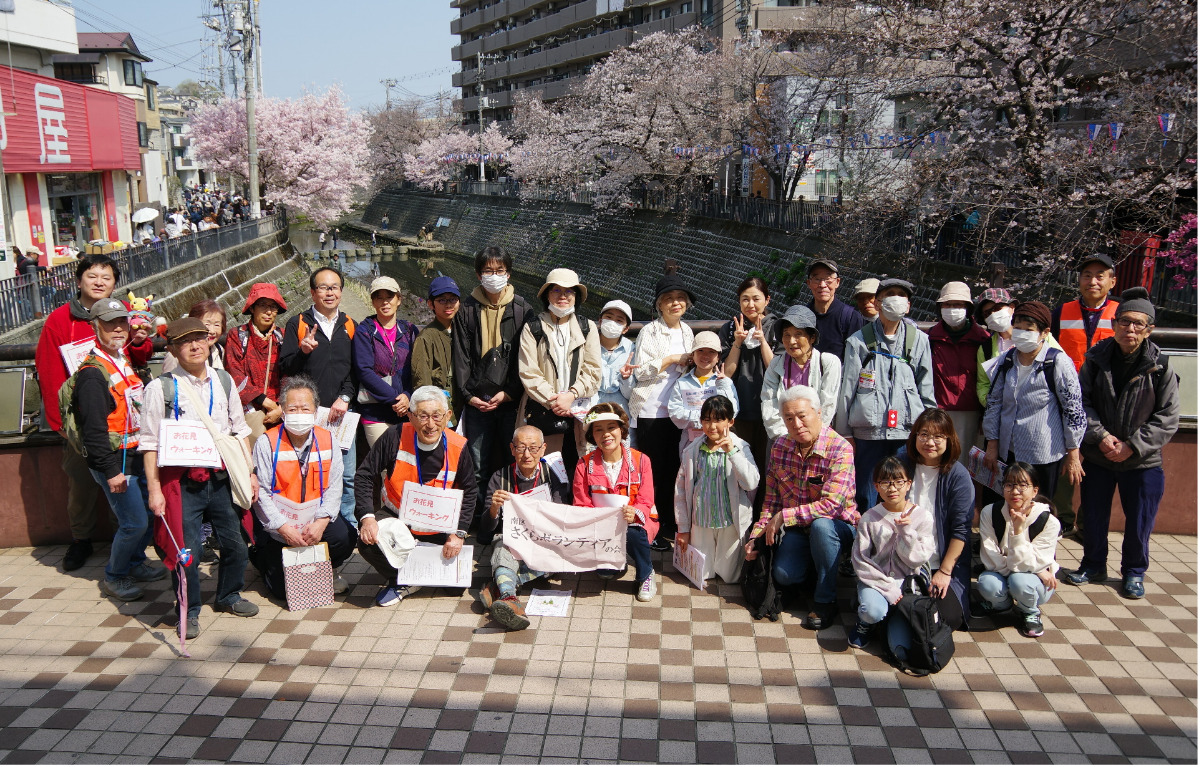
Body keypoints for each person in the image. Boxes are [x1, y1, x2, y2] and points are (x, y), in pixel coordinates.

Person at [141, 318, 259, 640]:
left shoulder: (223, 382)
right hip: (181, 483)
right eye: (185, 341)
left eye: (200, 339)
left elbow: (240, 431)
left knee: (237, 542)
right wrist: (154, 490)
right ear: (173, 350)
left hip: (221, 478)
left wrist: (249, 473)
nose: (195, 346)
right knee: (187, 550)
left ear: (209, 342)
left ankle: (229, 595)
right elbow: (149, 444)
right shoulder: (160, 388)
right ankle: (188, 608)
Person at [35, 253, 154, 571]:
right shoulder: (60, 321)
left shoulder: (121, 314)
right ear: (79, 281)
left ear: (115, 284)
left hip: (122, 416)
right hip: (81, 418)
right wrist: (60, 422)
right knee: (81, 480)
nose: (99, 282)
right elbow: (48, 372)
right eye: (93, 276)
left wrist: (141, 340)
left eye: (107, 277)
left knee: (132, 481)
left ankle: (129, 544)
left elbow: (138, 356)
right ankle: (81, 539)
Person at [1067, 287, 1180, 599]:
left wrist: (1132, 445)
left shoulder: (1161, 366)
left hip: (1142, 461)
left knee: (1140, 520)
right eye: (1125, 322)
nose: (1130, 329)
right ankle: (1092, 564)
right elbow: (1081, 403)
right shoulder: (1095, 358)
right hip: (1099, 454)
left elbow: (1168, 416)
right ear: (1114, 323)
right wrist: (1101, 437)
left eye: (1138, 324)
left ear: (1149, 329)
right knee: (1092, 513)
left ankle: (1133, 572)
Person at [71, 298, 166, 601]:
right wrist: (111, 471)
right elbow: (94, 430)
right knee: (134, 522)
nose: (118, 329)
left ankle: (135, 563)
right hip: (114, 462)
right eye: (109, 323)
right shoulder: (92, 374)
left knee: (147, 517)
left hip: (135, 455)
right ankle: (115, 574)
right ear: (95, 327)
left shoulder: (121, 360)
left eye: (122, 322)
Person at [745, 386, 857, 630]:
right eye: (788, 418)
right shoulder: (779, 447)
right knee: (785, 576)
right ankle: (815, 572)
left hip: (837, 528)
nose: (796, 423)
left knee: (822, 526)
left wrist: (785, 515)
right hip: (798, 529)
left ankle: (825, 600)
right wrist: (756, 536)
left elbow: (831, 505)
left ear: (818, 412)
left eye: (802, 415)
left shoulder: (840, 449)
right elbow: (771, 501)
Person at [354, 387, 477, 607]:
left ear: (447, 416)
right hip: (397, 518)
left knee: (456, 587)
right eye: (422, 416)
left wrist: (459, 534)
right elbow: (365, 474)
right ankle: (401, 579)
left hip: (438, 525)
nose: (430, 424)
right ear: (410, 416)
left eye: (436, 415)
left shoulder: (459, 445)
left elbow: (470, 490)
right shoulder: (395, 435)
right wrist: (367, 517)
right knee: (368, 541)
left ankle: (414, 573)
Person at [837, 278, 936, 513]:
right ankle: (863, 541)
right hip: (867, 431)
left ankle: (901, 540)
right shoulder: (859, 340)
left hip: (906, 430)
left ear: (909, 305)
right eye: (890, 294)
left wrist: (929, 432)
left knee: (903, 488)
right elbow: (847, 390)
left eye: (901, 295)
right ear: (878, 303)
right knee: (865, 490)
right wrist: (845, 433)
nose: (896, 299)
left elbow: (927, 389)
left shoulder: (919, 340)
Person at [250, 376, 352, 600]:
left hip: (314, 521)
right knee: (281, 593)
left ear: (316, 412)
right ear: (283, 412)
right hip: (279, 526)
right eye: (292, 409)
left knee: (345, 537)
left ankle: (327, 569)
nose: (299, 414)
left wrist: (321, 522)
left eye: (305, 408)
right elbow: (262, 495)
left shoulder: (328, 440)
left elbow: (335, 486)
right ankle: (262, 559)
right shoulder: (267, 442)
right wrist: (283, 529)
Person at [452, 246, 533, 521]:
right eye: (488, 271)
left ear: (508, 274)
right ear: (478, 274)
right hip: (477, 401)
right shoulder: (467, 309)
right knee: (477, 464)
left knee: (515, 460)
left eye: (499, 271)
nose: (494, 276)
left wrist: (509, 393)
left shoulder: (522, 309)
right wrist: (467, 395)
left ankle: (514, 519)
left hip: (509, 403)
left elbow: (526, 358)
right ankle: (481, 518)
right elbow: (461, 357)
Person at [983, 300, 1087, 501]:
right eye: (1018, 328)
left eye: (1028, 329)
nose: (1021, 334)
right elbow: (994, 402)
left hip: (1042, 452)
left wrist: (1073, 453)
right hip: (1008, 450)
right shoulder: (1007, 359)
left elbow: (1073, 410)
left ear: (1044, 332)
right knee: (1006, 503)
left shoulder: (1057, 362)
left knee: (1038, 507)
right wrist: (992, 444)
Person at [280, 267, 358, 530]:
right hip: (309, 415)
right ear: (313, 292)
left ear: (341, 291)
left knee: (346, 474)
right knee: (310, 471)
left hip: (340, 413)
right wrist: (302, 351)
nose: (329, 292)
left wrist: (345, 397)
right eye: (323, 287)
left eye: (334, 287)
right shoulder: (298, 323)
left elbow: (354, 370)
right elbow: (286, 367)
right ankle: (309, 521)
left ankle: (347, 523)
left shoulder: (349, 324)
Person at [626, 273, 695, 551]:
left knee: (673, 468)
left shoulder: (688, 331)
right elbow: (640, 372)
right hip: (651, 409)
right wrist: (670, 360)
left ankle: (667, 520)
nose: (675, 303)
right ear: (659, 305)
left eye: (680, 298)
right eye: (668, 299)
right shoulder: (649, 332)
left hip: (679, 411)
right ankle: (648, 524)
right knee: (650, 470)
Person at [477, 425, 570, 630]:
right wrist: (494, 507)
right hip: (512, 538)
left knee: (559, 559)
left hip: (543, 538)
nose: (527, 454)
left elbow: (561, 517)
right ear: (512, 449)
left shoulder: (554, 475)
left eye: (533, 448)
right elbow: (486, 528)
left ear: (543, 448)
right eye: (521, 448)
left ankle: (499, 587)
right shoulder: (500, 477)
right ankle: (511, 599)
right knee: (502, 549)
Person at [847, 457, 937, 654]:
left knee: (901, 650)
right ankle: (866, 621)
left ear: (908, 484)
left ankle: (889, 619)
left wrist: (907, 533)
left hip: (907, 584)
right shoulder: (870, 517)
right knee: (873, 611)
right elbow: (860, 560)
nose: (892, 488)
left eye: (899, 482)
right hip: (876, 582)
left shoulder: (922, 517)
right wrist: (888, 588)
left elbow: (917, 559)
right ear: (876, 487)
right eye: (886, 482)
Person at [517, 268, 601, 477]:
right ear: (547, 295)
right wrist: (555, 401)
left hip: (578, 412)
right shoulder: (533, 327)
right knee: (545, 469)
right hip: (543, 409)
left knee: (577, 468)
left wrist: (571, 395)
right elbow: (528, 371)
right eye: (556, 290)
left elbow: (593, 370)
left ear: (576, 296)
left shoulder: (587, 327)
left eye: (569, 291)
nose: (563, 296)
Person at [895, 408, 974, 625]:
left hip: (941, 563)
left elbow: (961, 531)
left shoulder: (958, 476)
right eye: (924, 434)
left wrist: (945, 572)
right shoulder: (901, 465)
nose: (930, 441)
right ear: (915, 437)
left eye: (938, 436)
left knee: (948, 617)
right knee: (896, 608)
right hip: (901, 560)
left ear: (949, 439)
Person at [573, 403, 658, 601]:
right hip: (599, 524)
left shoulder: (641, 460)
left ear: (622, 429)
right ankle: (610, 560)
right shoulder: (584, 465)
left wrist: (634, 513)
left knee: (635, 532)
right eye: (598, 430)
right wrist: (598, 517)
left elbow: (646, 500)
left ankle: (646, 573)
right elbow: (581, 503)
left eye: (611, 427)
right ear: (591, 436)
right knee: (605, 572)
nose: (606, 435)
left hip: (634, 521)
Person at [673, 395, 759, 584]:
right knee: (702, 573)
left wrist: (732, 453)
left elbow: (751, 483)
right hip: (701, 520)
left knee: (730, 577)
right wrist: (684, 528)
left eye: (719, 420)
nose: (712, 426)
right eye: (707, 420)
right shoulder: (692, 450)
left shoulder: (741, 447)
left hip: (729, 521)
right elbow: (680, 491)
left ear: (731, 421)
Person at [977, 462, 1061, 638]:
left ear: (1035, 491)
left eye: (1023, 485)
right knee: (987, 582)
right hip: (1016, 573)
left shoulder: (1049, 522)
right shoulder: (989, 513)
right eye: (1009, 485)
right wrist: (1038, 570)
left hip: (1034, 584)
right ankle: (1002, 605)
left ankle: (1029, 611)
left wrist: (1018, 532)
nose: (1015, 491)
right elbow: (990, 557)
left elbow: (1032, 563)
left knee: (1020, 582)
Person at [718, 277, 780, 484]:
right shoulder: (730, 328)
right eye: (745, 299)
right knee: (740, 464)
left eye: (756, 299)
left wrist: (763, 341)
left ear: (767, 300)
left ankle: (763, 512)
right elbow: (726, 373)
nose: (750, 305)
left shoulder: (778, 327)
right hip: (739, 409)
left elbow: (776, 370)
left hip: (769, 408)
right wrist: (737, 342)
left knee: (768, 465)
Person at [928, 282, 990, 462]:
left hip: (972, 414)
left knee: (968, 466)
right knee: (937, 462)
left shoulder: (982, 340)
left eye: (958, 305)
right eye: (947, 305)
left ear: (968, 308)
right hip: (938, 411)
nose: (952, 309)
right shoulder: (930, 339)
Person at [354, 276, 419, 448]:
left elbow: (416, 368)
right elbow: (364, 371)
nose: (385, 302)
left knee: (407, 462)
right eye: (379, 297)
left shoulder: (409, 330)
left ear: (399, 299)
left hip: (406, 410)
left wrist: (408, 395)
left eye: (389, 296)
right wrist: (396, 400)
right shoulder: (365, 330)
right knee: (384, 465)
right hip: (376, 413)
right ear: (373, 302)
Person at [761, 305, 841, 439]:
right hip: (783, 436)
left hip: (818, 436)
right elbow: (769, 402)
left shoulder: (828, 362)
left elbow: (828, 404)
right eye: (787, 335)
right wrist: (784, 436)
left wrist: (810, 435)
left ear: (812, 338)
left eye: (798, 334)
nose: (791, 341)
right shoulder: (776, 364)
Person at [224, 283, 287, 447]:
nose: (268, 312)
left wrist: (281, 407)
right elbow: (234, 373)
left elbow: (290, 373)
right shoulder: (237, 336)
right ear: (252, 308)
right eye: (263, 306)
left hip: (281, 410)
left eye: (273, 307)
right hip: (251, 409)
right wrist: (266, 402)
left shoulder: (283, 336)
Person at [668, 331, 738, 451]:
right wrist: (705, 418)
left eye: (711, 352)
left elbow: (733, 411)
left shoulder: (725, 382)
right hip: (690, 442)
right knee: (690, 469)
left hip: (720, 442)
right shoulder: (682, 383)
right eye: (700, 350)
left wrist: (722, 386)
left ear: (718, 357)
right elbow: (674, 412)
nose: (705, 356)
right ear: (693, 355)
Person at [1051, 253, 1118, 372]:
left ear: (1112, 282)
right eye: (1087, 276)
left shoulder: (1120, 313)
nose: (1092, 282)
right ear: (1079, 279)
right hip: (1068, 381)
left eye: (1100, 277)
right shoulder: (1061, 312)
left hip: (1106, 384)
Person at [411, 276, 462, 425]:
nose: (448, 305)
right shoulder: (426, 337)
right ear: (430, 304)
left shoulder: (463, 330)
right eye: (442, 300)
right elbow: (422, 379)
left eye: (453, 299)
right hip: (442, 409)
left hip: (464, 406)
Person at [805, 258, 865, 360]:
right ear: (809, 283)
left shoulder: (851, 317)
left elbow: (856, 359)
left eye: (828, 279)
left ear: (837, 282)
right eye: (817, 279)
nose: (823, 285)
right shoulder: (802, 316)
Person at [595, 299, 636, 421]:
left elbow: (630, 394)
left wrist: (626, 378)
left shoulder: (632, 350)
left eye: (619, 320)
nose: (612, 322)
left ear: (625, 329)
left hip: (621, 412)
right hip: (590, 409)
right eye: (609, 317)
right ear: (601, 321)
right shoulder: (587, 345)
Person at [162, 299, 227, 373]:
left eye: (217, 325)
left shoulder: (218, 350)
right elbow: (168, 382)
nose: (212, 331)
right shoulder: (176, 355)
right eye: (207, 324)